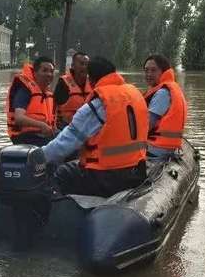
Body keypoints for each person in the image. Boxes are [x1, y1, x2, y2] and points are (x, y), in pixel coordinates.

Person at [42, 57, 148, 197]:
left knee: (60, 173)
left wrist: (38, 156)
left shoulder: (98, 105)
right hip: (137, 170)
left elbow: (64, 144)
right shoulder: (135, 94)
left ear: (91, 79)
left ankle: (52, 214)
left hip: (106, 177)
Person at [143, 54, 187, 159]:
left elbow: (147, 125)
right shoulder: (172, 87)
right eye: (146, 70)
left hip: (155, 147)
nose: (149, 74)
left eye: (153, 70)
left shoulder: (162, 93)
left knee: (111, 150)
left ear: (163, 71)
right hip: (166, 146)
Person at [5, 56, 56, 146]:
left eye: (51, 71)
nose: (49, 74)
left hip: (43, 135)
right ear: (35, 73)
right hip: (25, 137)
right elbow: (19, 118)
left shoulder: (48, 93)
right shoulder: (25, 90)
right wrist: (42, 125)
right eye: (44, 70)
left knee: (72, 140)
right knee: (62, 147)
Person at [54, 51, 91, 128]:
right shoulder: (63, 83)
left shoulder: (93, 83)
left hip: (87, 127)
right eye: (81, 64)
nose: (85, 67)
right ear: (73, 66)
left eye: (87, 64)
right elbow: (54, 106)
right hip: (67, 127)